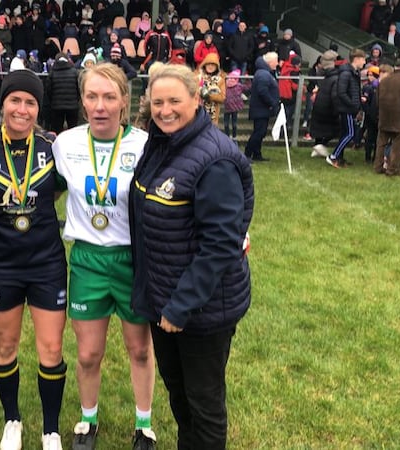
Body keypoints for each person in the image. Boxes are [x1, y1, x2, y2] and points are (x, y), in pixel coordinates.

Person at [129, 62, 254, 450]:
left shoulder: (214, 159)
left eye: (175, 101)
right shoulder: (161, 143)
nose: (165, 110)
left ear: (197, 100)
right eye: (157, 101)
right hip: (163, 303)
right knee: (181, 398)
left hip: (200, 310)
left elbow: (220, 244)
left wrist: (181, 306)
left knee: (204, 403)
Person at [52, 63, 158, 450]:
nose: (100, 106)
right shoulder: (65, 144)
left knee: (140, 349)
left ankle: (144, 424)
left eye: (109, 97)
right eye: (92, 96)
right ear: (82, 101)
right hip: (87, 261)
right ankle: (88, 419)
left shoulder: (145, 145)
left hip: (132, 261)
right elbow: (49, 191)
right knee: (88, 353)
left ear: (124, 102)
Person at [0, 69, 68, 450]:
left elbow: (65, 188)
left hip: (46, 262)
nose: (22, 108)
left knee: (51, 349)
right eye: (15, 100)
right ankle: (12, 420)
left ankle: (51, 429)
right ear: (2, 104)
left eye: (30, 102)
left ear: (38, 108)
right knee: (5, 347)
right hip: (0, 264)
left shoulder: (52, 148)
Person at [327, 48, 366, 169]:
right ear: (357, 59)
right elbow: (341, 92)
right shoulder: (346, 73)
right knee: (350, 133)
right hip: (347, 109)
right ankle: (333, 155)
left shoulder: (354, 72)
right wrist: (353, 104)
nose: (365, 62)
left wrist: (359, 100)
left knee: (346, 133)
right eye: (363, 59)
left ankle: (339, 158)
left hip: (350, 107)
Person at [244, 52, 279, 162]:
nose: (277, 63)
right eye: (276, 61)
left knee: (260, 132)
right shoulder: (263, 74)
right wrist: (272, 103)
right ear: (270, 62)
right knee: (259, 132)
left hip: (262, 109)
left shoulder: (264, 73)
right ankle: (247, 154)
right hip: (261, 109)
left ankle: (257, 154)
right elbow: (262, 91)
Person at [46, 53, 80, 134]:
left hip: (57, 106)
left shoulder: (52, 72)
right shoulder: (74, 72)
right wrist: (76, 100)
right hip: (73, 106)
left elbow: (48, 90)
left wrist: (53, 101)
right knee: (73, 131)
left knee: (57, 130)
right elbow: (79, 89)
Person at [197, 53, 226, 125]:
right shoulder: (198, 77)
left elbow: (222, 97)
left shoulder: (220, 80)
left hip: (213, 116)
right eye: (208, 64)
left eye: (213, 65)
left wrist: (209, 96)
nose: (210, 66)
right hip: (197, 114)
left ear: (217, 67)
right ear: (204, 65)